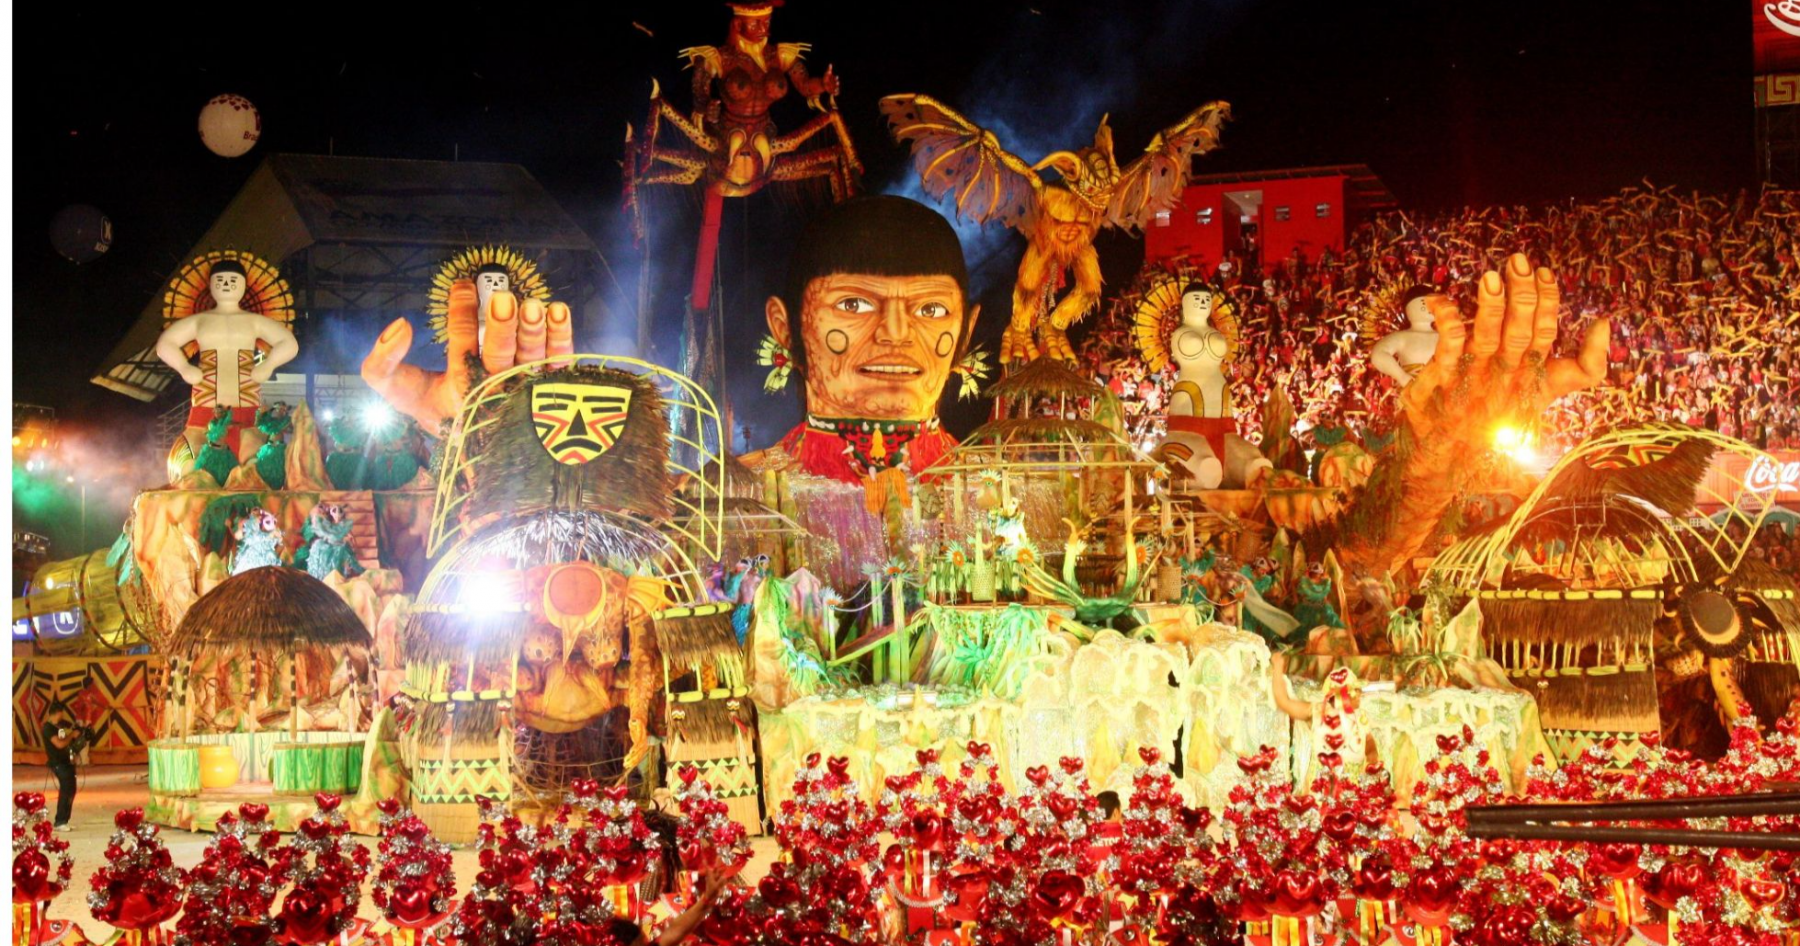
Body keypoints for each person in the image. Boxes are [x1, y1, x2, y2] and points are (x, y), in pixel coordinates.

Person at [752, 196, 979, 490]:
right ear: (785, 330)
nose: (896, 334)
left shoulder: (996, 488)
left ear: (965, 333)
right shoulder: (738, 493)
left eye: (930, 309)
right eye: (854, 304)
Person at [155, 259, 300, 464]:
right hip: (205, 406)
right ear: (210, 284)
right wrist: (183, 367)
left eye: (232, 280)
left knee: (252, 464)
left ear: (243, 285)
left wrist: (268, 365)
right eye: (220, 280)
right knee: (192, 463)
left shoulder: (253, 321)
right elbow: (165, 344)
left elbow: (289, 344)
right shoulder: (200, 320)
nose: (226, 284)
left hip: (247, 409)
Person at [40, 702, 90, 830]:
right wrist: (72, 735)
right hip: (58, 763)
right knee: (66, 790)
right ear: (57, 712)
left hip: (67, 761)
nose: (62, 716)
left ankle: (64, 820)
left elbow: (66, 738)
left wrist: (76, 734)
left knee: (71, 790)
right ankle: (60, 821)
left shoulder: (60, 726)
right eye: (61, 713)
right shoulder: (48, 728)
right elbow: (59, 744)